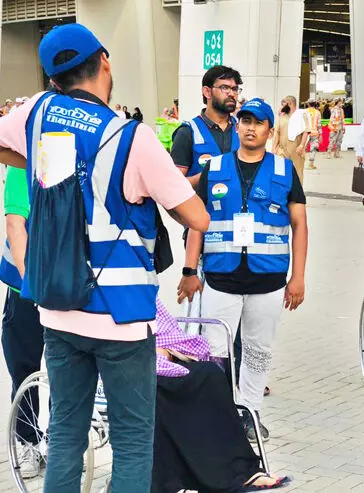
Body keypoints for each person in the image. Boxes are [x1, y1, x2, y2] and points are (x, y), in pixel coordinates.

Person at [0, 23, 210, 491]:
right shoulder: (131, 137)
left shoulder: (36, 113)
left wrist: (36, 163)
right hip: (121, 318)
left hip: (58, 310)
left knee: (67, 434)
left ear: (53, 77)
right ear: (105, 62)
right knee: (133, 439)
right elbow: (196, 218)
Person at [177, 98, 308, 441]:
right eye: (245, 121)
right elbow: (198, 222)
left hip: (268, 279)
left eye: (258, 122)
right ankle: (220, 413)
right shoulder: (215, 167)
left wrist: (298, 277)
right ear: (238, 127)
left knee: (257, 349)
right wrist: (190, 270)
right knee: (215, 350)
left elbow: (300, 225)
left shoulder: (283, 171)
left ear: (269, 130)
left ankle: (250, 411)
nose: (250, 127)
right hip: (221, 277)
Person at [151, 299, 291, 492]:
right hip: (128, 359)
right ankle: (171, 481)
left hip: (161, 353)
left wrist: (164, 348)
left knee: (210, 374)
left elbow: (165, 327)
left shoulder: (141, 281)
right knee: (157, 392)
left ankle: (237, 470)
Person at [1, 165, 46, 478]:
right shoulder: (22, 162)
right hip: (25, 288)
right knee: (23, 368)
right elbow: (16, 224)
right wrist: (31, 283)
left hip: (68, 290)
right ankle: (28, 441)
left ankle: (61, 441)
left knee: (69, 372)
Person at [171, 65, 242, 183]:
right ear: (207, 92)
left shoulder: (241, 130)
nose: (231, 93)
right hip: (201, 201)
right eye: (225, 87)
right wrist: (206, 176)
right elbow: (174, 185)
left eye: (235, 89)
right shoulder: (187, 132)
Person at [272, 95, 309, 183]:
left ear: (289, 104)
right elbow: (277, 132)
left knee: (297, 173)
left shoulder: (302, 115)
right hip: (282, 150)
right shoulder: (282, 116)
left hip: (296, 150)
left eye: (283, 103)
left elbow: (306, 131)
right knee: (280, 173)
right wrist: (274, 147)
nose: (281, 106)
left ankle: (297, 195)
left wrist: (301, 145)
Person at [305, 99, 321, 171]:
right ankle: (311, 164)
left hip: (305, 133)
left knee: (303, 147)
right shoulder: (317, 112)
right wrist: (320, 134)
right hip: (314, 133)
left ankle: (299, 162)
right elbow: (319, 124)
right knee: (313, 148)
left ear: (308, 104)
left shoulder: (305, 112)